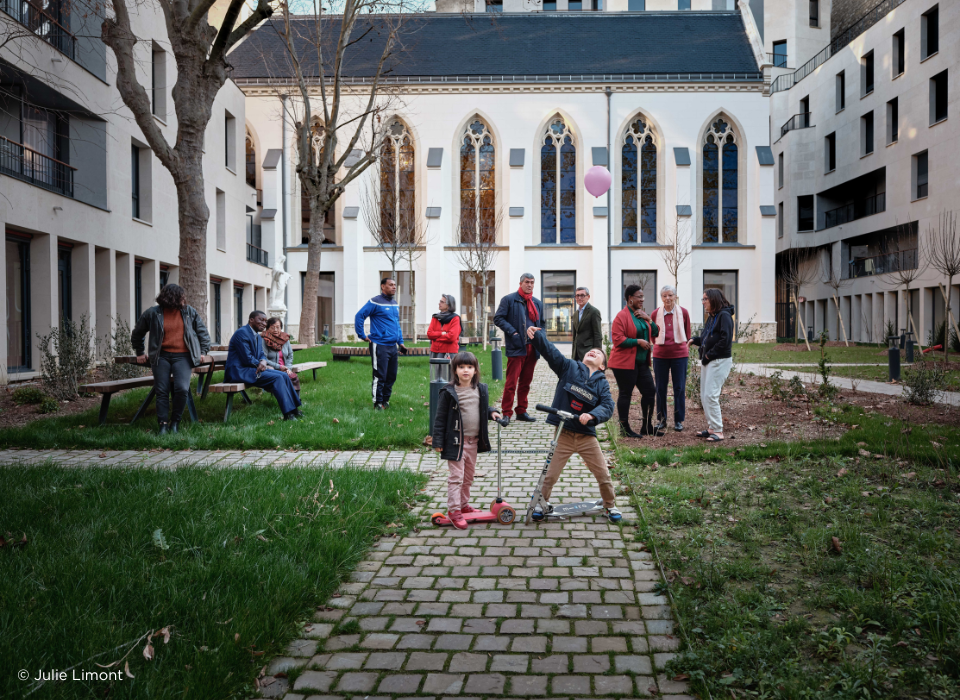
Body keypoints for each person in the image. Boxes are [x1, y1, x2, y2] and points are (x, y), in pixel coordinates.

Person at [525, 326, 621, 523]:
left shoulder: (602, 383)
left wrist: (592, 415)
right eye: (591, 351)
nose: (594, 351)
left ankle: (610, 505)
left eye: (599, 353)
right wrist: (538, 336)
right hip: (564, 434)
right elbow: (551, 353)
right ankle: (541, 504)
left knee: (602, 473)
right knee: (549, 475)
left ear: (602, 366)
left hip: (586, 436)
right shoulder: (569, 367)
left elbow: (607, 406)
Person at [431, 351, 503, 530]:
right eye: (461, 367)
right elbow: (440, 419)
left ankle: (463, 505)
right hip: (455, 443)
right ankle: (454, 510)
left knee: (468, 477)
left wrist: (492, 412)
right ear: (454, 370)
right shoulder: (448, 392)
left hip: (473, 442)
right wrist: (438, 441)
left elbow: (483, 407)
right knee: (456, 477)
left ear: (475, 370)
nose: (465, 370)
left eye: (469, 367)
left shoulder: (480, 388)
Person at [132, 283, 211, 435]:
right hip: (161, 356)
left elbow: (203, 333)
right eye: (182, 296)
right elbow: (138, 333)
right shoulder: (153, 313)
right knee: (162, 390)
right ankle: (163, 425)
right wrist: (140, 352)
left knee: (182, 388)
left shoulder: (189, 312)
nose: (184, 298)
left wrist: (203, 351)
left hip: (183, 356)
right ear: (173, 297)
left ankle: (175, 422)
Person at [225, 310, 302, 420]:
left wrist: (263, 362)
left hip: (252, 369)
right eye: (260, 320)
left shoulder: (257, 335)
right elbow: (247, 358)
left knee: (284, 375)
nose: (263, 323)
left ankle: (295, 409)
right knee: (278, 377)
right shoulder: (242, 333)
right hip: (239, 372)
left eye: (265, 321)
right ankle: (288, 414)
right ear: (251, 320)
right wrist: (261, 364)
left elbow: (261, 355)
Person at [609, 285, 661, 439]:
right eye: (639, 296)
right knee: (625, 394)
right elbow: (617, 340)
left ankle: (647, 426)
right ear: (630, 298)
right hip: (624, 363)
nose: (642, 299)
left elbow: (656, 332)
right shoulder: (621, 316)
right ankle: (624, 429)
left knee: (650, 392)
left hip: (641, 363)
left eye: (643, 296)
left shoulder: (641, 315)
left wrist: (648, 319)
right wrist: (637, 341)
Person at [493, 272, 544, 423]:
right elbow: (498, 318)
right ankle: (507, 413)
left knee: (526, 383)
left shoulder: (537, 303)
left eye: (532, 282)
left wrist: (541, 337)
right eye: (527, 282)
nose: (530, 285)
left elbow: (543, 324)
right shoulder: (509, 300)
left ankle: (521, 411)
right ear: (521, 283)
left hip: (532, 348)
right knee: (511, 383)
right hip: (516, 347)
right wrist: (513, 332)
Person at [688, 288, 735, 442]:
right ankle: (712, 428)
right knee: (704, 395)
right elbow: (707, 337)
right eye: (702, 299)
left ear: (713, 299)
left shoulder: (724, 316)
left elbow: (725, 341)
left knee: (711, 395)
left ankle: (718, 431)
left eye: (705, 299)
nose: (703, 302)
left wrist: (709, 354)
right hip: (709, 360)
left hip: (719, 360)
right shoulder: (713, 316)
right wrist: (696, 340)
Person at [355, 277, 407, 410]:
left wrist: (401, 342)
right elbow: (359, 316)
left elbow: (396, 325)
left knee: (391, 375)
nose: (394, 287)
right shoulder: (374, 302)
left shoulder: (395, 303)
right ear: (382, 286)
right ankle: (377, 402)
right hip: (379, 344)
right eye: (390, 285)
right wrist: (362, 335)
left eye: (395, 285)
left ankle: (386, 400)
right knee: (380, 375)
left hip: (392, 346)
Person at [650, 285, 692, 432]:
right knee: (660, 388)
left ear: (675, 296)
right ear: (661, 298)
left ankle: (678, 420)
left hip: (679, 355)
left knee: (679, 388)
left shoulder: (684, 313)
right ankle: (661, 420)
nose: (667, 298)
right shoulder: (655, 313)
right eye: (664, 296)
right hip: (660, 356)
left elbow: (687, 332)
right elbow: (652, 334)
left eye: (670, 295)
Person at [262, 317, 300, 396]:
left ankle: (296, 400)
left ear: (281, 328)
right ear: (267, 329)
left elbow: (290, 355)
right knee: (282, 378)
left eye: (278, 327)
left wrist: (288, 368)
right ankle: (287, 401)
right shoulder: (264, 340)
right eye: (272, 327)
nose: (275, 330)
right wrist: (279, 367)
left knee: (293, 377)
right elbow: (263, 358)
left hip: (285, 368)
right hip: (271, 368)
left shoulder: (285, 339)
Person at [571, 286, 603, 362]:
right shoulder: (575, 314)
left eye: (582, 295)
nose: (579, 298)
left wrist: (597, 354)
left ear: (588, 297)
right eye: (577, 295)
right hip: (576, 354)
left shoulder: (594, 312)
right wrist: (573, 354)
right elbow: (575, 337)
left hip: (588, 352)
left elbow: (597, 335)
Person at [427, 294, 461, 358]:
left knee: (449, 368)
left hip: (449, 352)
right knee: (435, 368)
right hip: (435, 351)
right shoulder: (435, 317)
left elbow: (452, 337)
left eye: (442, 302)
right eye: (440, 301)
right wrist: (441, 333)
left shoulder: (455, 318)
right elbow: (429, 334)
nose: (439, 303)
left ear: (449, 305)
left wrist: (435, 338)